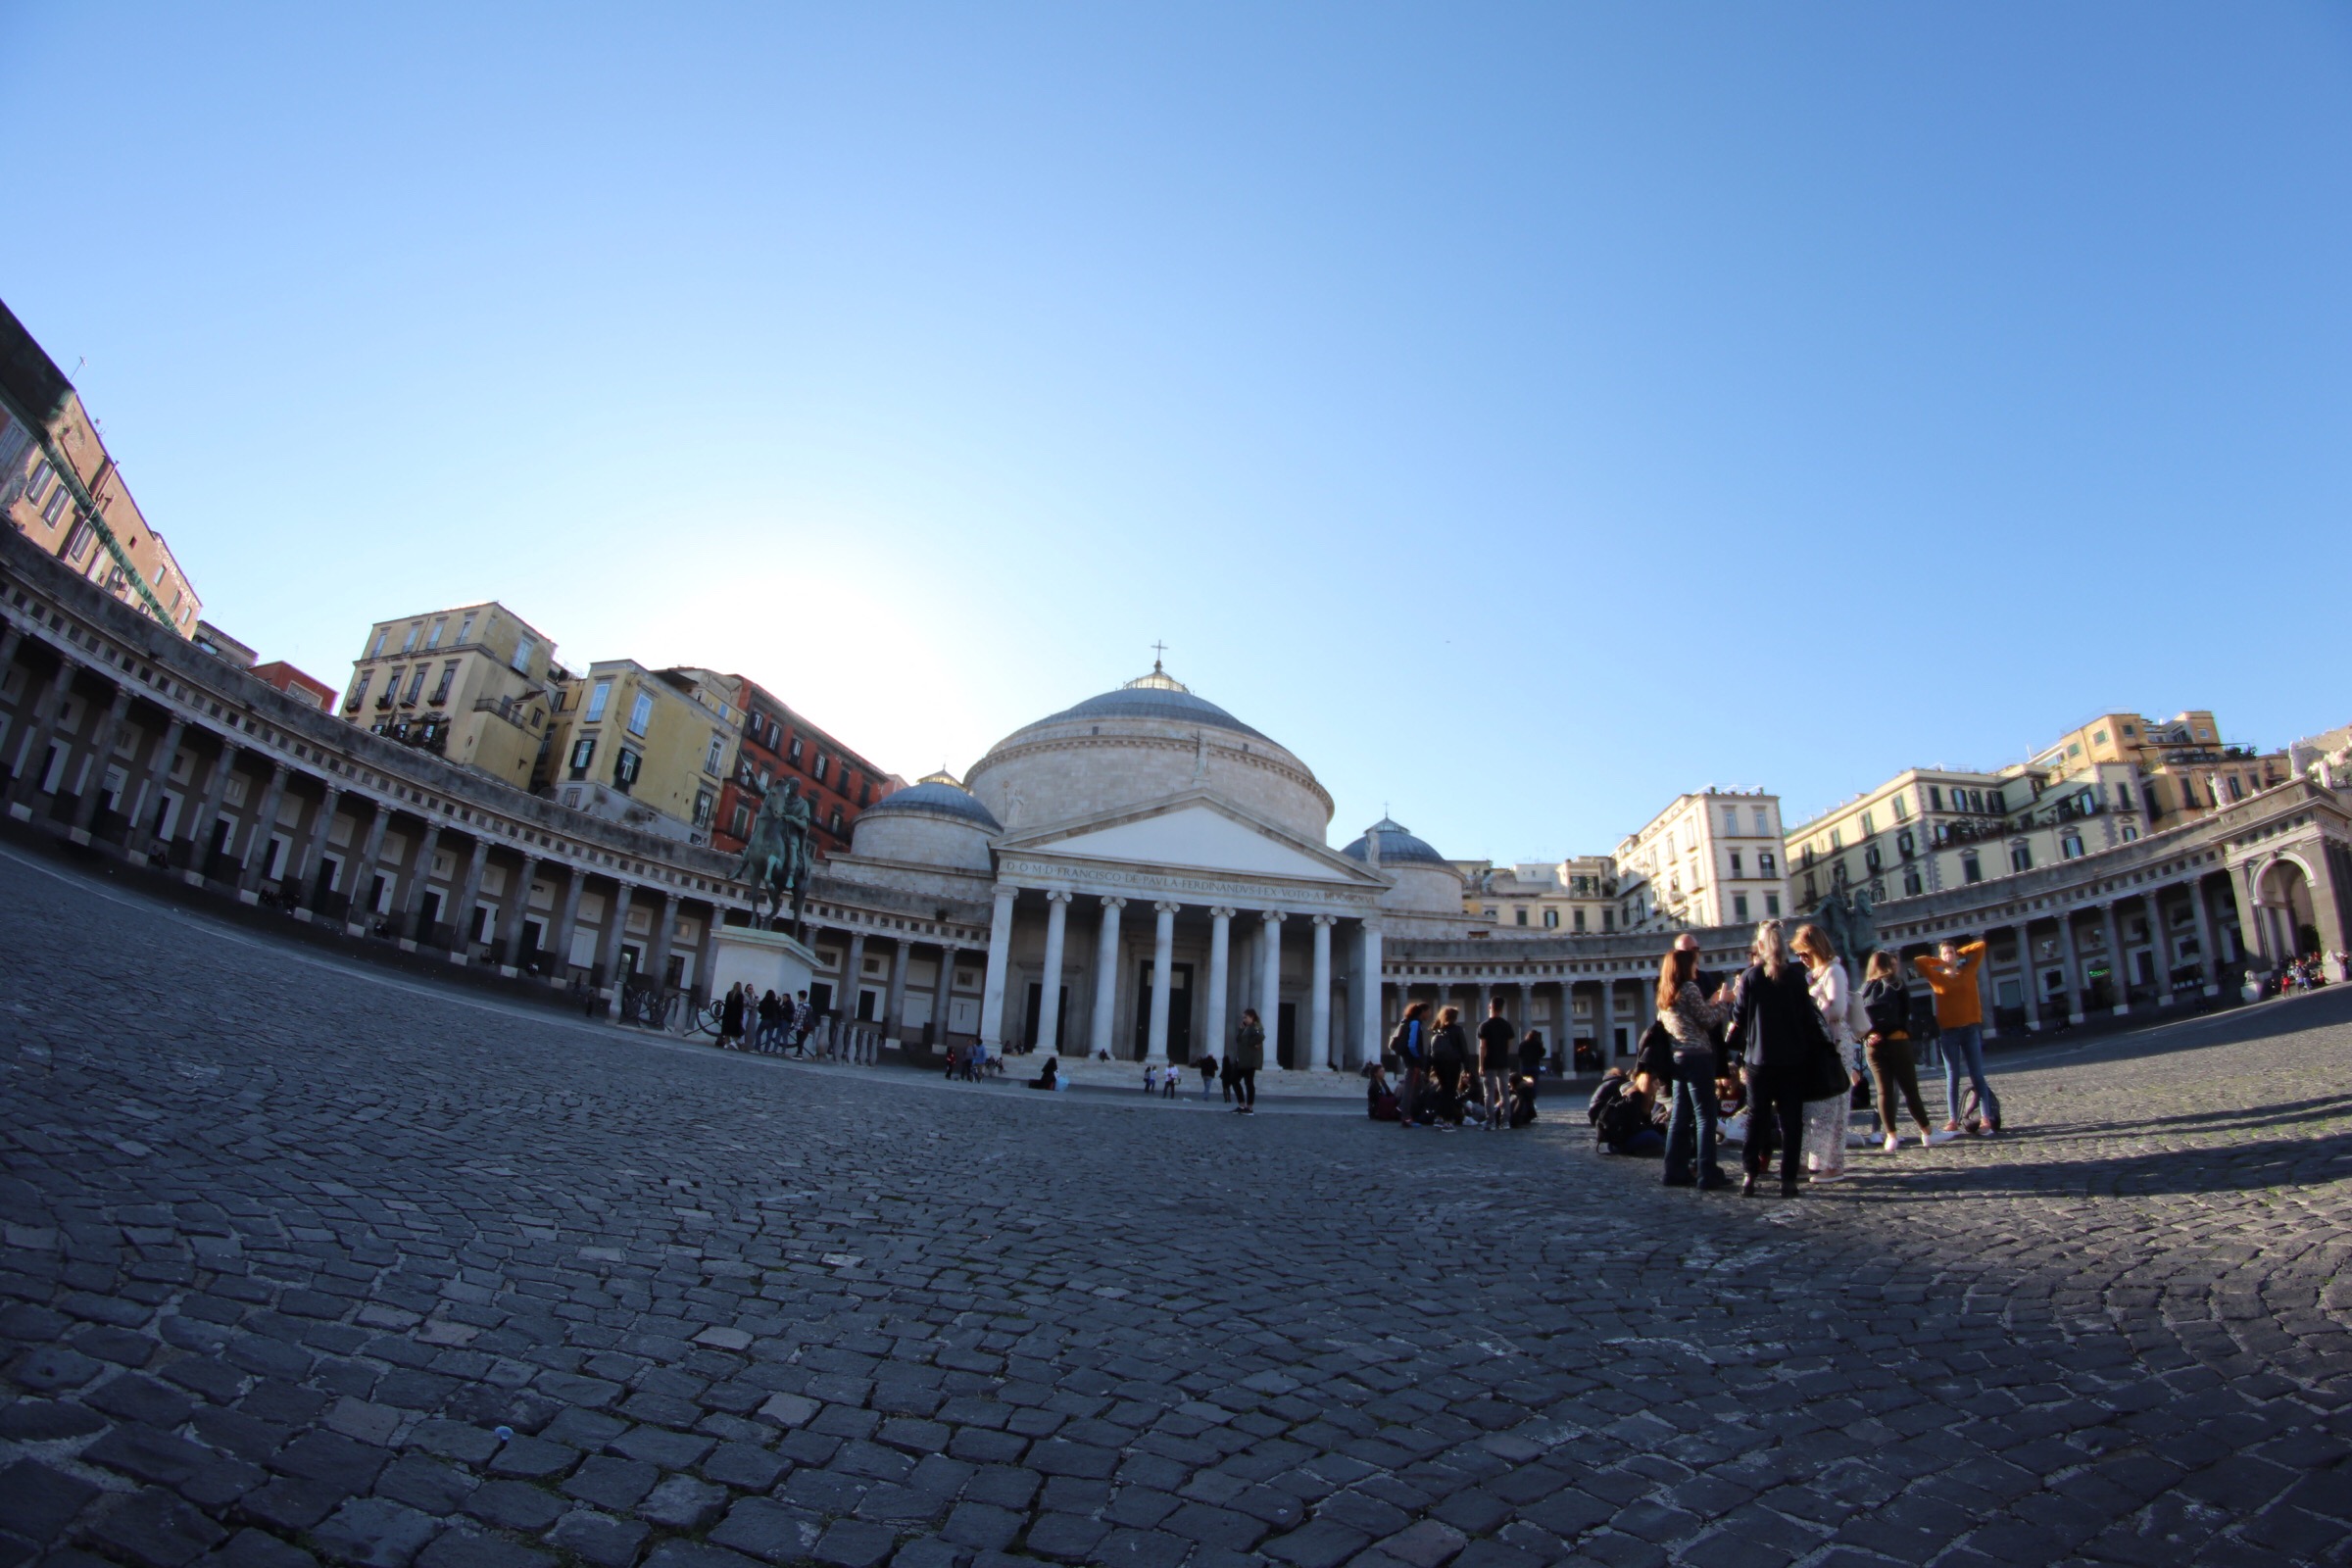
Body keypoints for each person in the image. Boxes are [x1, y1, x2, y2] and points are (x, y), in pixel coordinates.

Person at [1729, 919, 1840, 1198]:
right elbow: (1806, 1016)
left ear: (1761, 946)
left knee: (1757, 1118)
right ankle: (1788, 1179)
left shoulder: (1750, 977)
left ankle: (1749, 1174)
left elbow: (1738, 1017)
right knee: (1791, 1121)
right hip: (1792, 1059)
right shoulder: (1795, 977)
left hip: (1759, 1059)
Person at [1790, 924, 1866, 1182]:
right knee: (1814, 1107)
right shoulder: (1815, 975)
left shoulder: (1834, 971)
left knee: (1834, 1104)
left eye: (1804, 953)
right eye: (1799, 955)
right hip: (1818, 1045)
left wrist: (1812, 1009)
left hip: (1834, 1044)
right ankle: (1811, 1160)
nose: (1802, 959)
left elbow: (1837, 1009)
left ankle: (1834, 1164)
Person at [1655, 946, 1732, 1190]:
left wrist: (1710, 1003)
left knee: (1679, 1116)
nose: (1696, 969)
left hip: (1678, 1058)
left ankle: (1673, 1171)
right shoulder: (1688, 988)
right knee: (1705, 1117)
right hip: (1698, 1056)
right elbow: (1707, 1021)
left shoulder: (1665, 994)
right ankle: (1707, 1173)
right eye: (1693, 964)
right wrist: (1724, 1002)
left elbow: (1689, 1017)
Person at [1912, 939, 2002, 1135]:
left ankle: (1986, 1118)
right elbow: (1919, 962)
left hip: (1970, 1029)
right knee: (1952, 1076)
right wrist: (1939, 962)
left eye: (1951, 952)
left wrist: (1960, 953)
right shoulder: (1937, 978)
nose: (1949, 956)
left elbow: (1980, 947)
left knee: (1977, 1075)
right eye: (1946, 953)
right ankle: (1953, 1119)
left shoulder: (1967, 972)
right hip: (1949, 1033)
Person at [1860, 952, 1949, 1150]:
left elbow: (1857, 1018)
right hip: (1897, 1040)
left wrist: (1869, 1035)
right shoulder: (1896, 983)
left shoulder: (1865, 988)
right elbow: (1906, 1011)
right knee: (1910, 1090)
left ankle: (1891, 1136)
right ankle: (1927, 1132)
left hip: (1873, 1045)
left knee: (1883, 1092)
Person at [1388, 1001, 1431, 1130]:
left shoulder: (1407, 1022)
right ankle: (1406, 1116)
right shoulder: (1415, 1023)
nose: (1429, 1014)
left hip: (1408, 1059)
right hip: (1413, 1061)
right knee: (1409, 1089)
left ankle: (1411, 1115)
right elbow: (1412, 1044)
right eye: (1428, 1012)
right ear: (1422, 1012)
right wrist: (1417, 1057)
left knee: (1415, 1088)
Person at [1477, 999, 1517, 1134]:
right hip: (1503, 1062)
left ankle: (1491, 1121)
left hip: (1489, 1062)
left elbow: (1483, 1047)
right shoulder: (1506, 1025)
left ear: (1490, 1007)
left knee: (1488, 1092)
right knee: (1504, 1091)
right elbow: (1508, 1045)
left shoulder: (1484, 1026)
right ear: (1502, 1009)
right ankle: (1505, 1121)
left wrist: (1480, 1065)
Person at [1428, 1006, 1470, 1130]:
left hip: (1438, 1065)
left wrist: (1427, 1069)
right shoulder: (1457, 1030)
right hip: (1453, 1064)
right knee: (1450, 1092)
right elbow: (1464, 1049)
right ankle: (1448, 1120)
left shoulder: (1437, 1030)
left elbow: (1429, 1051)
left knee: (1443, 1090)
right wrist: (1467, 1067)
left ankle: (1439, 1117)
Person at [1230, 1009, 1265, 1113]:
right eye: (1243, 1017)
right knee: (1234, 1079)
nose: (1244, 1019)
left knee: (1248, 1083)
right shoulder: (1246, 1028)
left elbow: (1261, 1037)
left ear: (1252, 1017)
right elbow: (1238, 1040)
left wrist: (1250, 1043)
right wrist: (1241, 1030)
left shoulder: (1256, 1026)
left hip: (1251, 1060)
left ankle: (1249, 1107)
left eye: (1245, 1017)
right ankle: (1241, 1105)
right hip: (1242, 1060)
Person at [719, 983, 746, 1051]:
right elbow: (740, 1007)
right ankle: (733, 1042)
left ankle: (727, 1043)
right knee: (736, 1030)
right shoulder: (740, 995)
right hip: (736, 1015)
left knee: (727, 1030)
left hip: (728, 1014)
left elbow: (726, 1005)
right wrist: (741, 1017)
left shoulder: (729, 994)